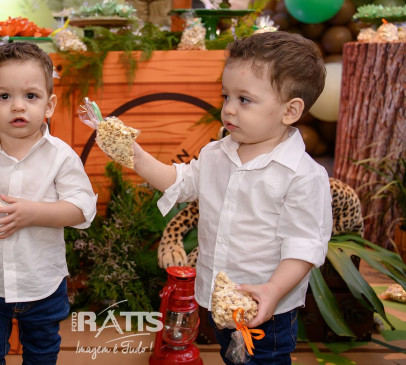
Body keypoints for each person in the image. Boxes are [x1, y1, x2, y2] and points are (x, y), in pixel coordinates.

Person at [133, 31, 333, 364]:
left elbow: (303, 246)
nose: (228, 109)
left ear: (289, 111)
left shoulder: (301, 175)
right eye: (226, 96)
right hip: (217, 297)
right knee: (231, 357)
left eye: (244, 100)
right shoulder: (216, 154)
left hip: (265, 308)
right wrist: (137, 157)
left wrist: (273, 290)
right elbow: (179, 182)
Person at [0, 41, 97, 365]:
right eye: (4, 96)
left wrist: (33, 213)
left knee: (42, 354)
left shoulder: (60, 157)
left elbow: (82, 209)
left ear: (49, 105)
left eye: (30, 96)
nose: (17, 107)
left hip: (42, 283)